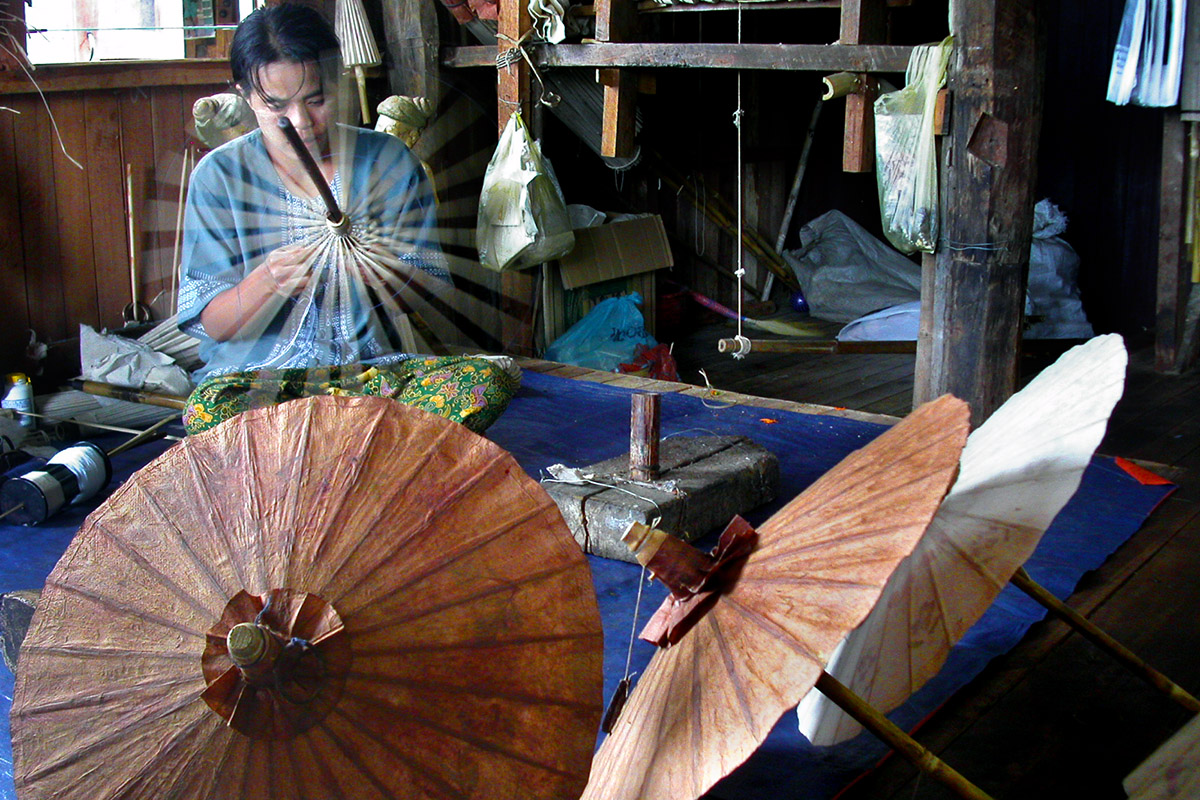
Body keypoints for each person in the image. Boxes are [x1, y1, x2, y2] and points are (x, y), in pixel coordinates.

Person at [177, 3, 518, 436]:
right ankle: (366, 455)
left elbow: (428, 292)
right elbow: (214, 325)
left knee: (480, 384)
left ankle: (337, 451)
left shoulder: (389, 161)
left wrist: (383, 271)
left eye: (315, 100)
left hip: (371, 376)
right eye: (276, 106)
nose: (300, 122)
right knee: (208, 410)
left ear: (337, 78)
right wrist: (268, 280)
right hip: (261, 384)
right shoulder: (220, 177)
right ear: (246, 95)